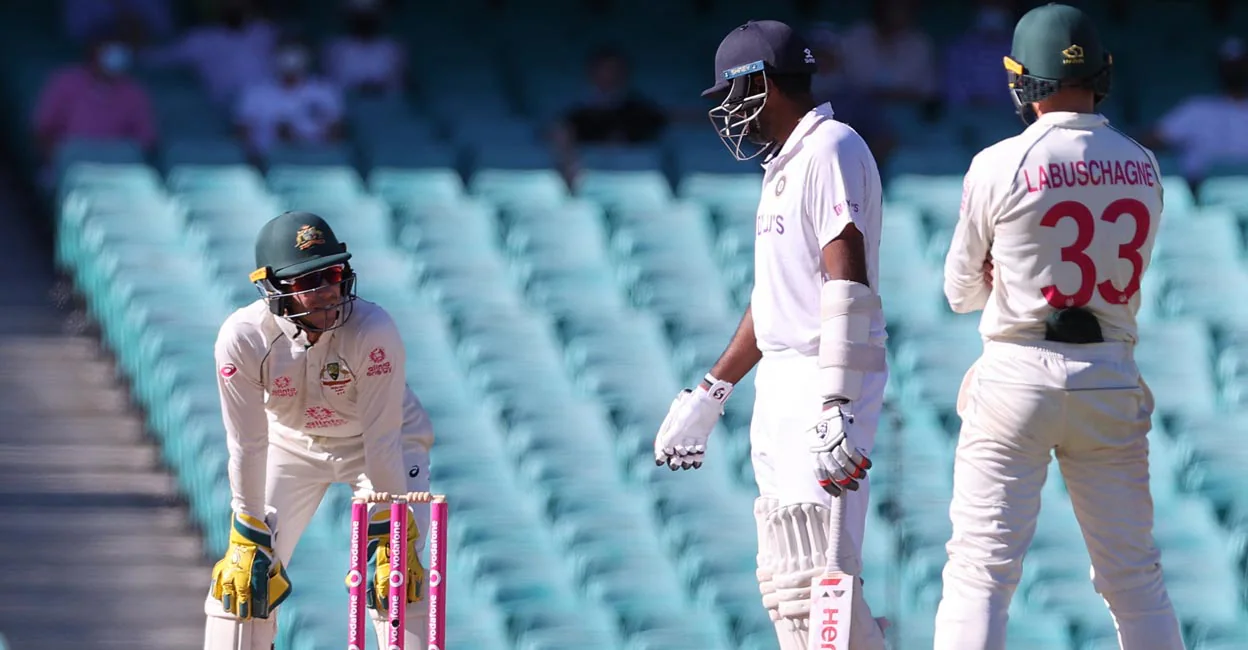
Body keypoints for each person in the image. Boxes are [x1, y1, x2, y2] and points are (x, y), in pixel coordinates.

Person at [934, 4, 1184, 649]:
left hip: (1018, 371)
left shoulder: (1000, 162)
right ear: (1102, 73)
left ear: (1021, 80)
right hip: (1109, 376)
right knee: (1134, 578)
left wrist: (1001, 272)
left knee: (980, 573)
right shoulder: (1143, 163)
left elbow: (959, 292)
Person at [652, 19, 889, 650]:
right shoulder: (785, 164)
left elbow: (847, 277)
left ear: (760, 83)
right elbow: (773, 300)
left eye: (730, 94)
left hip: (821, 379)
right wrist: (711, 391)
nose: (728, 113)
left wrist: (837, 400)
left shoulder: (832, 146)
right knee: (786, 583)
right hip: (782, 387)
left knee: (825, 581)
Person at [203, 211, 434, 650]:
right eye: (307, 282)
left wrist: (390, 532)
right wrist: (247, 531)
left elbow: (383, 439)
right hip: (291, 445)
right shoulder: (243, 338)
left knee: (396, 577)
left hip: (381, 445)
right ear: (272, 288)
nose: (326, 292)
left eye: (331, 274)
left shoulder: (374, 329)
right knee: (241, 580)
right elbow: (248, 445)